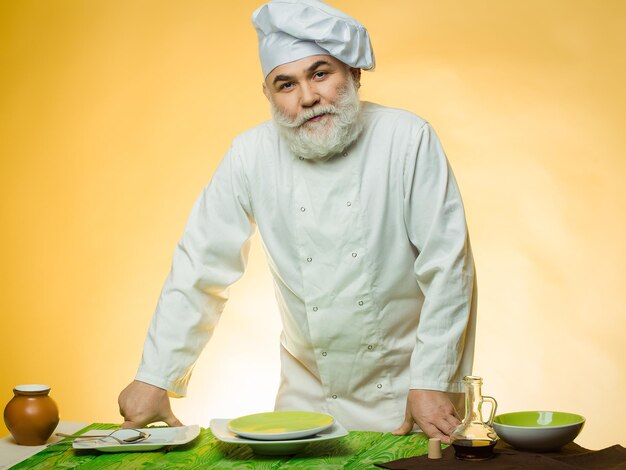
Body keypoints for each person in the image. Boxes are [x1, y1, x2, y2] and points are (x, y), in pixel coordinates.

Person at [118, 0, 477, 444]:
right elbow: (200, 267)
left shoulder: (406, 139)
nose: (307, 97)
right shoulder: (250, 155)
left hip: (409, 402)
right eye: (286, 84)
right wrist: (156, 376)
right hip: (304, 411)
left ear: (354, 74)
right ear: (269, 96)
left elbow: (448, 266)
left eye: (320, 73)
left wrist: (434, 380)